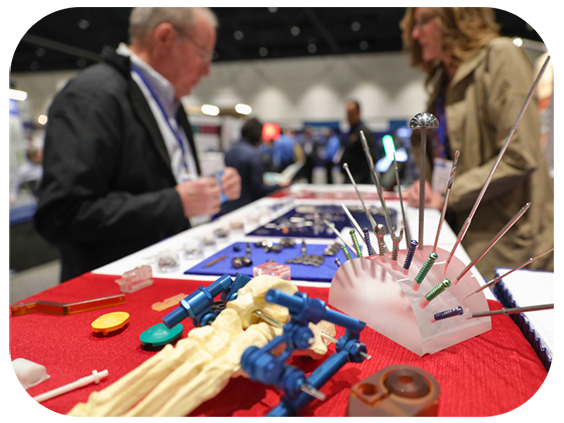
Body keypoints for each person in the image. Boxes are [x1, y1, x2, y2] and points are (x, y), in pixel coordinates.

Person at [34, 7, 241, 282]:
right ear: (165, 38)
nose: (206, 70)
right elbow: (61, 215)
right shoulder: (91, 96)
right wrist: (175, 203)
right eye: (203, 54)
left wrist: (212, 187)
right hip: (112, 299)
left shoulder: (170, 102)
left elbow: (158, 181)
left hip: (168, 278)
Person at [401, 7, 554, 278]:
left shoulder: (499, 55)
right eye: (413, 24)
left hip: (503, 241)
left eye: (425, 20)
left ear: (455, 17)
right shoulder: (441, 81)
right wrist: (426, 187)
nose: (415, 33)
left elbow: (520, 156)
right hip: (456, 231)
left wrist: (447, 196)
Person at [220, 118, 288, 215]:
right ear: (258, 134)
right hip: (246, 208)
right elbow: (259, 189)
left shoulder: (230, 150)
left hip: (227, 206)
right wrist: (279, 186)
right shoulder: (254, 155)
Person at [338, 100, 377, 184]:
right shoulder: (350, 132)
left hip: (360, 181)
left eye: (352, 113)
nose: (349, 116)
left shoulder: (364, 133)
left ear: (358, 113)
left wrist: (359, 178)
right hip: (349, 178)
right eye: (348, 113)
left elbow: (371, 158)